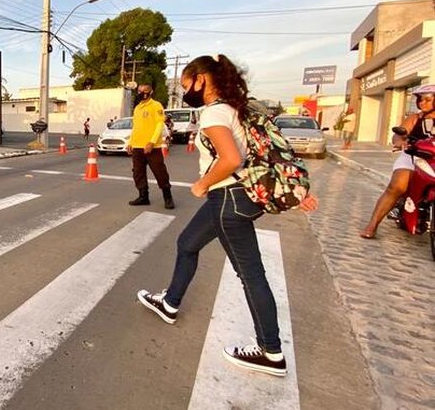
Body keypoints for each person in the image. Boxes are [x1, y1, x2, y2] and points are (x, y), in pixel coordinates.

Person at [135, 54, 318, 377]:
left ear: (202, 79)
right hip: (239, 198)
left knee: (250, 274)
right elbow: (265, 152)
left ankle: (270, 350)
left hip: (229, 200)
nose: (186, 90)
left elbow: (231, 159)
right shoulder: (238, 108)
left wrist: (203, 183)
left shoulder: (214, 114)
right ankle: (170, 302)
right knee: (187, 243)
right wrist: (293, 189)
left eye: (187, 83)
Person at [359, 85, 435, 239]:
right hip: (413, 156)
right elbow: (398, 135)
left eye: (427, 100)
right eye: (420, 99)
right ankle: (372, 225)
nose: (422, 103)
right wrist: (400, 142)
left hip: (433, 159)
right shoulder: (415, 118)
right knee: (397, 186)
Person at [126, 83, 175, 209]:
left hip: (152, 147)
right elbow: (135, 127)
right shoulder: (137, 108)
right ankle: (143, 197)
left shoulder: (156, 105)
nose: (142, 92)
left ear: (151, 91)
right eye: (140, 90)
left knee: (160, 172)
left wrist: (152, 142)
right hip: (137, 146)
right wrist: (130, 142)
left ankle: (168, 197)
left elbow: (159, 125)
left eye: (145, 90)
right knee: (138, 173)